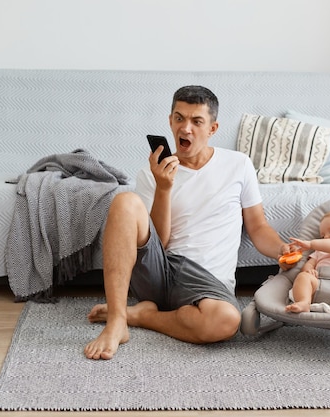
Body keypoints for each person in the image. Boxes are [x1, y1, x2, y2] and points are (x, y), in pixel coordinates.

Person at [83, 85, 292, 360]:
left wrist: (282, 250)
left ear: (213, 128)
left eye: (197, 121)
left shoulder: (239, 165)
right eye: (179, 118)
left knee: (227, 321)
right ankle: (117, 322)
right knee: (125, 201)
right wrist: (164, 188)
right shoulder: (153, 173)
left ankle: (142, 317)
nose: (186, 128)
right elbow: (160, 240)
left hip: (207, 281)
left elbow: (258, 227)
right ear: (170, 121)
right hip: (160, 271)